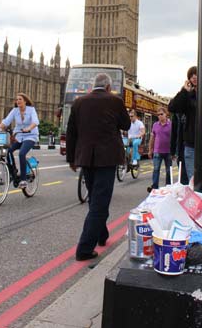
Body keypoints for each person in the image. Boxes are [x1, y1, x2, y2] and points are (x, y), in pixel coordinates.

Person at [66, 73, 130, 261]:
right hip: (107, 158)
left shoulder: (79, 102)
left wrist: (72, 159)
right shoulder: (115, 101)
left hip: (86, 157)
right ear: (109, 87)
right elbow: (125, 124)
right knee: (99, 204)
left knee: (95, 198)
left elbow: (71, 133)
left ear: (93, 86)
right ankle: (84, 249)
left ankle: (101, 235)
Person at [0, 93, 39, 189]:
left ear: (25, 101)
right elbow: (6, 121)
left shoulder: (31, 110)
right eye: (17, 99)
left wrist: (28, 128)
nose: (18, 101)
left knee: (22, 153)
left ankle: (23, 180)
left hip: (30, 136)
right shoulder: (15, 111)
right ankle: (13, 171)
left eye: (20, 99)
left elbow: (35, 122)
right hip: (18, 136)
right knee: (8, 151)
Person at [168, 66, 197, 183]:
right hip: (190, 143)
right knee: (191, 180)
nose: (194, 77)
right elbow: (172, 107)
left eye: (196, 74)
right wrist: (184, 91)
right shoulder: (187, 96)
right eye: (191, 75)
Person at [147, 107, 172, 192]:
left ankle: (168, 187)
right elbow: (152, 138)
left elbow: (174, 138)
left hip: (168, 151)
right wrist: (150, 150)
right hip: (157, 151)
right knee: (156, 169)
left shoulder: (171, 125)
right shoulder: (155, 125)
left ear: (166, 114)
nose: (160, 116)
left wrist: (175, 152)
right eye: (158, 115)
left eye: (161, 114)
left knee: (168, 171)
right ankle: (154, 187)